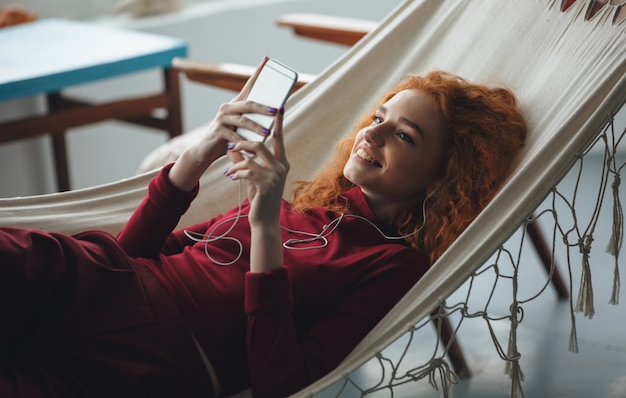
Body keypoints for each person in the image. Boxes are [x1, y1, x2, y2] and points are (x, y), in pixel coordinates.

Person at [0, 58, 527, 398]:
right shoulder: (307, 206)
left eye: (404, 135)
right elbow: (134, 255)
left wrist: (264, 228)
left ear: (442, 178)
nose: (374, 132)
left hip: (154, 362)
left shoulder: (393, 265)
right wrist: (201, 152)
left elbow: (282, 385)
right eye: (378, 117)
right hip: (94, 279)